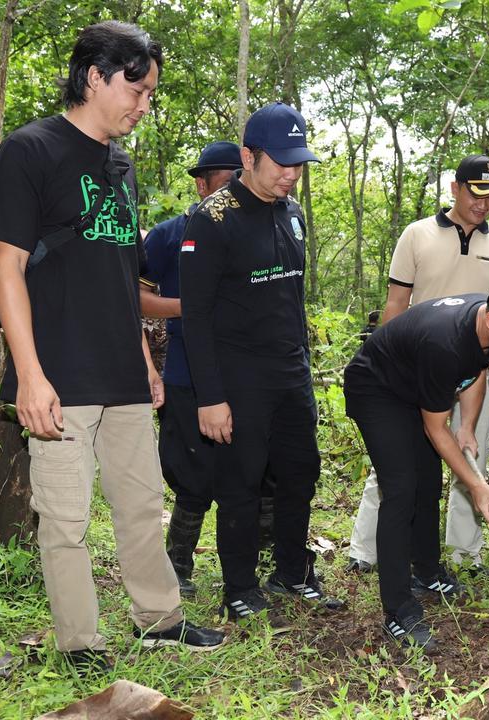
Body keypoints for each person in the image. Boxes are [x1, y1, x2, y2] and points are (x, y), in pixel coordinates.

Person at [0, 21, 223, 674]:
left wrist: (143, 358)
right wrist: (28, 376)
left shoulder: (119, 163)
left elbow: (118, 273)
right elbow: (7, 266)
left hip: (122, 372)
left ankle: (160, 621)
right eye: (137, 91)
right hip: (57, 373)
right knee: (65, 518)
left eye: (150, 96)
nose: (144, 106)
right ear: (95, 76)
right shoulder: (31, 151)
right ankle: (80, 643)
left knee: (142, 503)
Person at [180, 102, 344, 620]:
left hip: (289, 370)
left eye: (298, 165)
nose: (291, 175)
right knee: (241, 482)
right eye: (281, 163)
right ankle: (239, 587)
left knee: (300, 472)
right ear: (248, 156)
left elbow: (291, 298)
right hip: (237, 373)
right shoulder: (212, 220)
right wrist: (211, 397)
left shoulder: (291, 212)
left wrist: (302, 362)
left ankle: (292, 572)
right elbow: (196, 316)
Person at [344, 277, 489, 649]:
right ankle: (398, 610)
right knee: (401, 489)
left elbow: (473, 370)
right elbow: (435, 427)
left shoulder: (485, 322)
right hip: (376, 390)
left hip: (413, 387)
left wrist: (469, 428)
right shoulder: (443, 343)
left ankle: (425, 571)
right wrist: (476, 486)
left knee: (428, 480)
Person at [345, 154, 489, 574]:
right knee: (396, 464)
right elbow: (396, 304)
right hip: (417, 369)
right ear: (455, 188)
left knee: (471, 457)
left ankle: (463, 555)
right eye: (477, 194)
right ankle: (366, 551)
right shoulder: (417, 235)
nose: (484, 205)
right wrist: (393, 370)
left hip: (476, 372)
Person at [139, 140, 242, 598]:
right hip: (185, 371)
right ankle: (177, 565)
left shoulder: (266, 225)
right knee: (191, 471)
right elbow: (135, 297)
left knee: (252, 469)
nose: (231, 195)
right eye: (223, 186)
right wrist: (192, 308)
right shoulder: (167, 236)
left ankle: (254, 566)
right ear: (201, 185)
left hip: (247, 370)